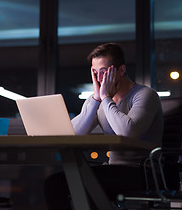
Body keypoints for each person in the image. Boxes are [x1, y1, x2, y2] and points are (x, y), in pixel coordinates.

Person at [44, 43, 163, 210]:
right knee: (54, 184)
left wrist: (106, 98)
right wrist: (95, 99)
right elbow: (74, 133)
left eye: (103, 72)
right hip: (114, 168)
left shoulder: (145, 95)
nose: (99, 78)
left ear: (121, 70)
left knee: (86, 185)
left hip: (143, 172)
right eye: (94, 72)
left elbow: (127, 132)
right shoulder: (97, 100)